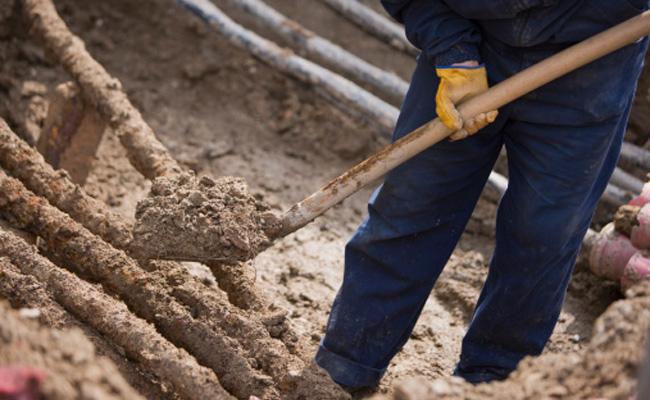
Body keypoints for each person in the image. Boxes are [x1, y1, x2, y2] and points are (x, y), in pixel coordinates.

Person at [315, 0, 650, 390]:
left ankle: (491, 382)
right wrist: (451, 49)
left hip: (595, 57)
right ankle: (344, 365)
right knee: (413, 203)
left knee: (544, 234)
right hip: (468, 33)